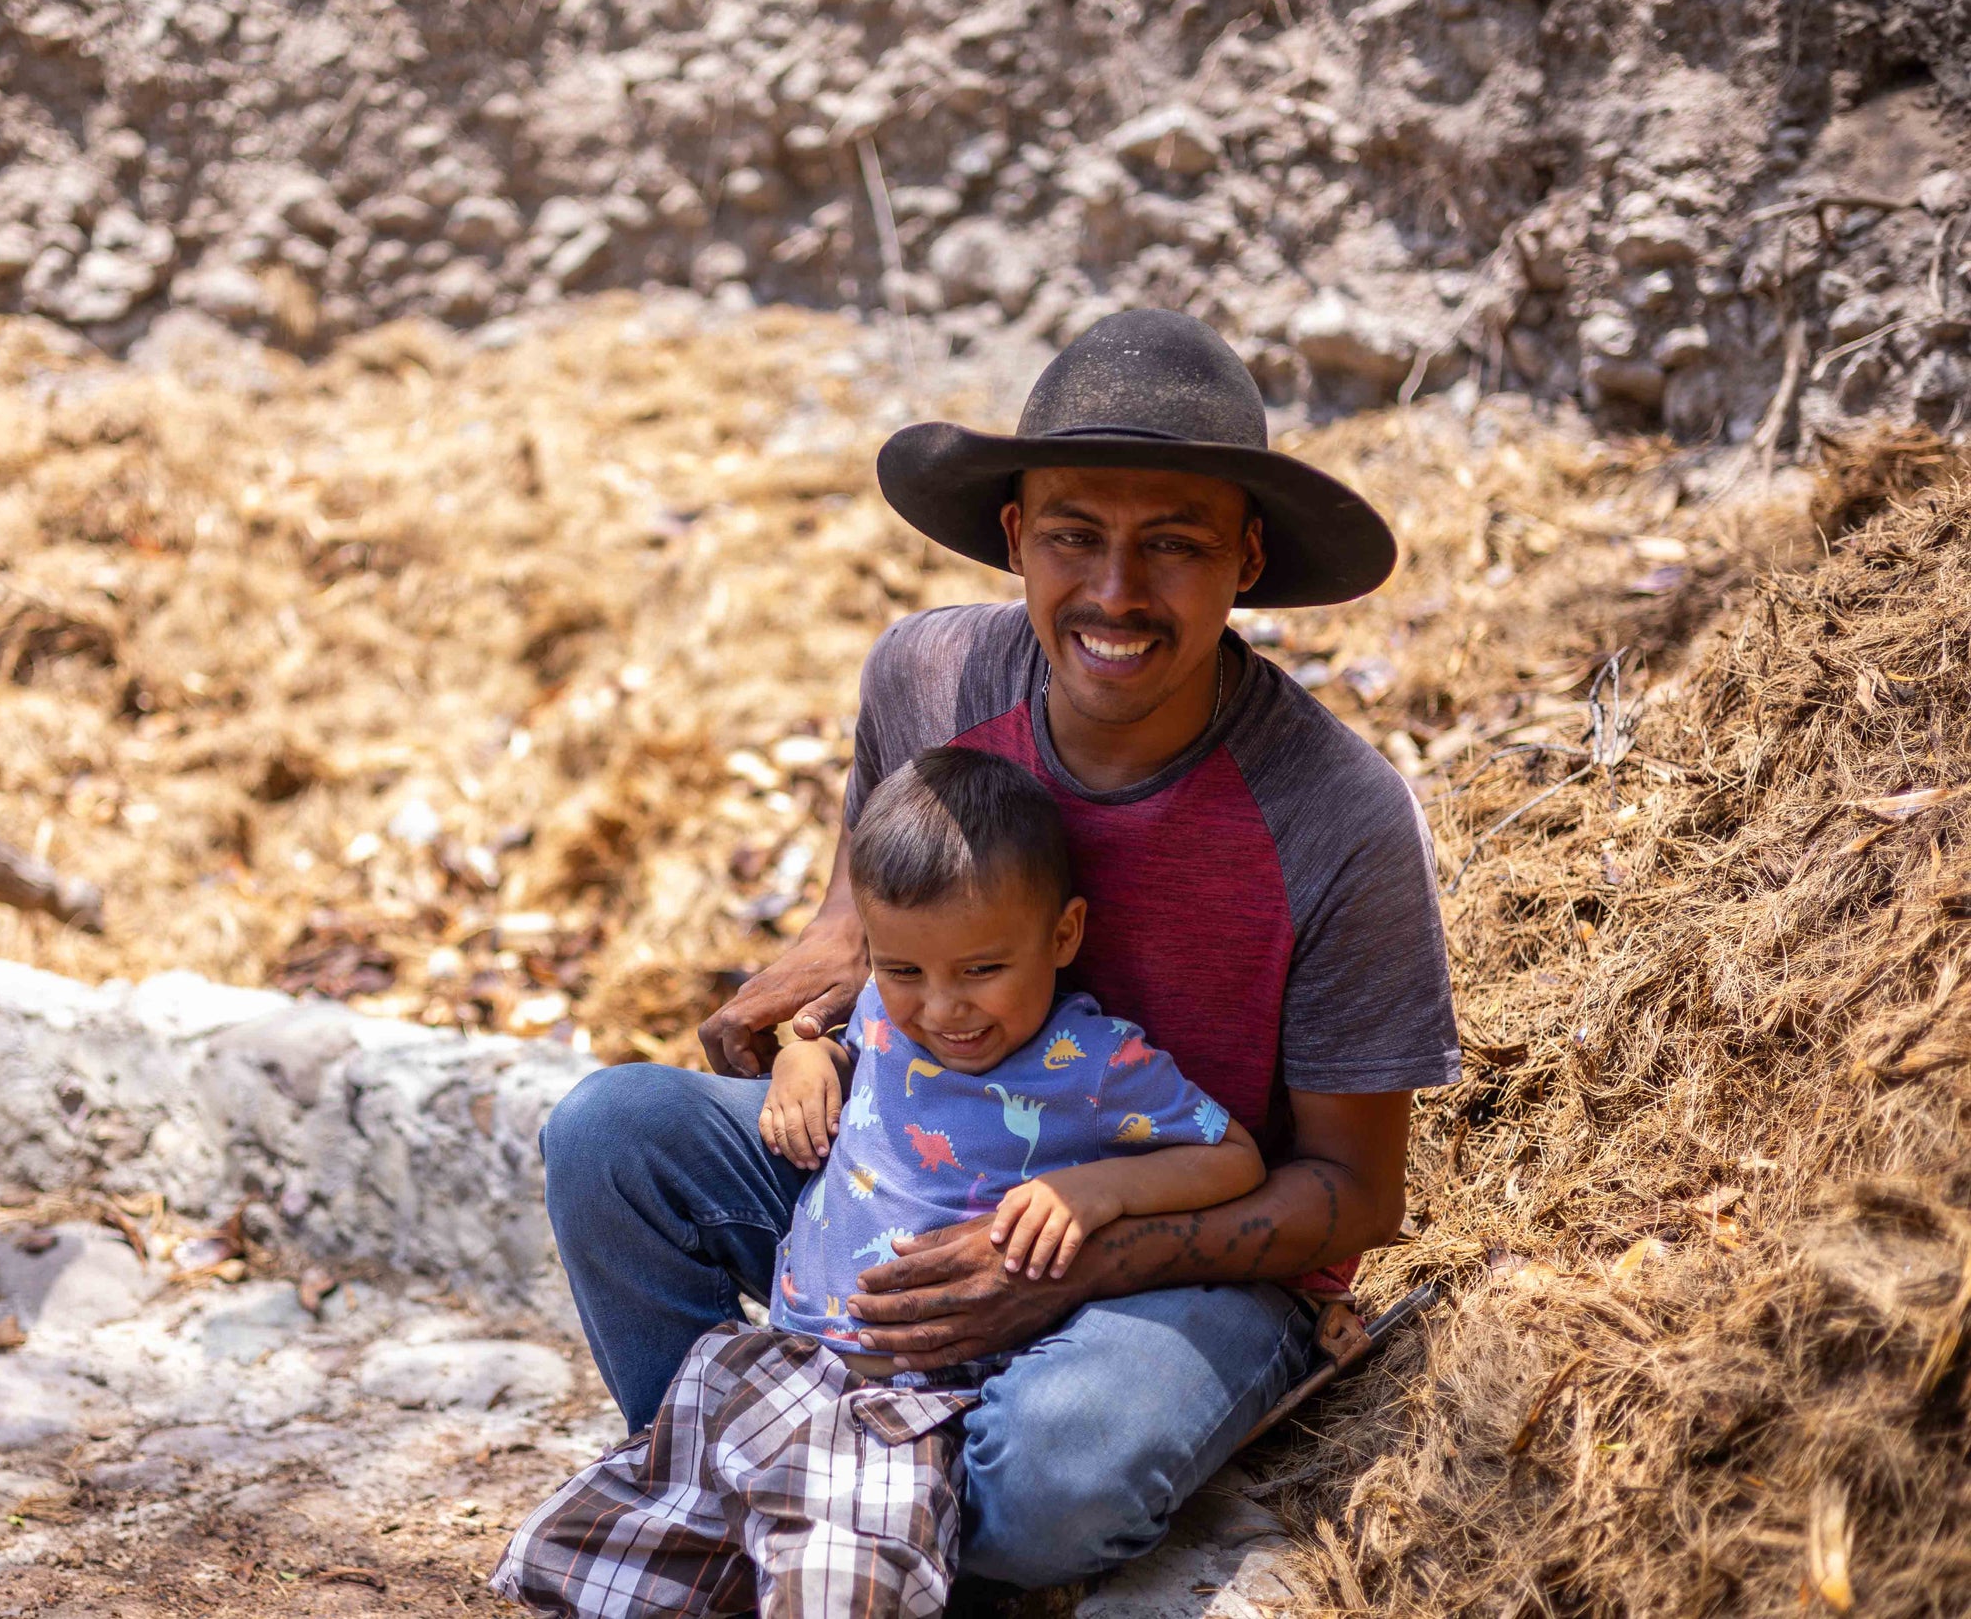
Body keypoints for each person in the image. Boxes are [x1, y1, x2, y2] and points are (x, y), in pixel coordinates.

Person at [537, 308, 1460, 1592]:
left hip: (1174, 1251)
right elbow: (862, 903)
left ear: (1246, 557)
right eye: (1074, 535)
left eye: (1173, 544)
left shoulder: (1335, 816)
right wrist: (812, 992)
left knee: (1055, 1468)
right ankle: (741, 1486)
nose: (1115, 592)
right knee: (611, 1135)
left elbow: (1352, 1196)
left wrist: (1070, 1260)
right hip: (921, 1162)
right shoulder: (926, 679)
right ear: (1016, 535)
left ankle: (885, 1520)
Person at [496, 749, 1264, 1618]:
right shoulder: (879, 1010)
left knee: (836, 1589)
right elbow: (852, 1049)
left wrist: (1098, 1192)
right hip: (783, 1370)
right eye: (905, 972)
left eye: (982, 970)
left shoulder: (1095, 1065)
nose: (942, 1009)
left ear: (1063, 935)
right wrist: (804, 1058)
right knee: (577, 1550)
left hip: (916, 1410)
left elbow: (1232, 1157)